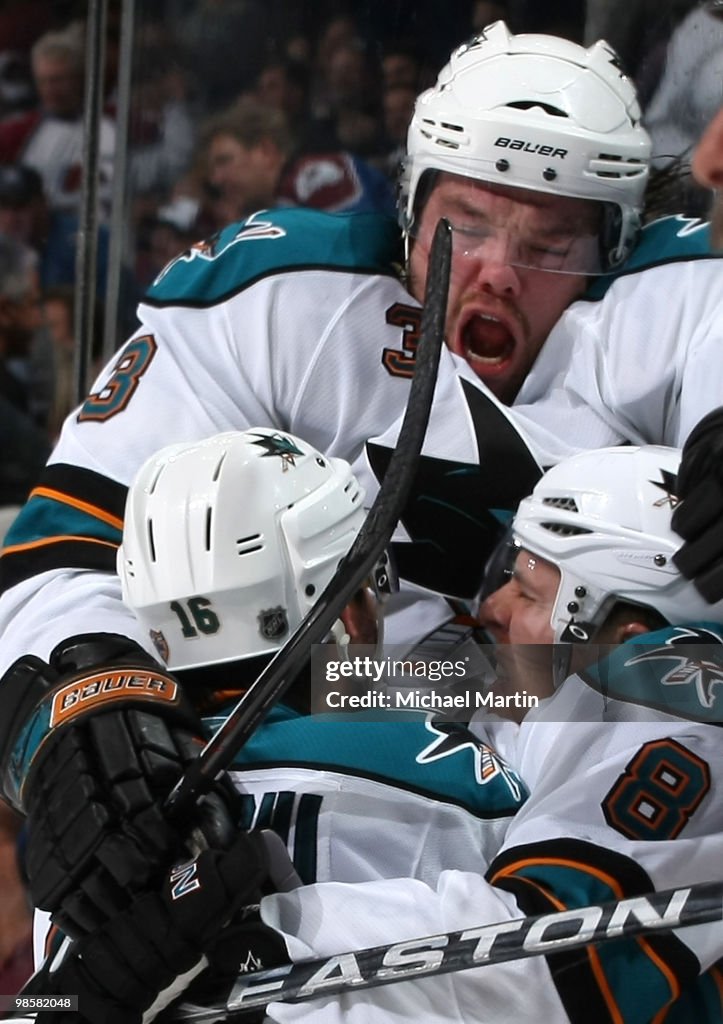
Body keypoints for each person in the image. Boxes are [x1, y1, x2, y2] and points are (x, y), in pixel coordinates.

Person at [1, 18, 723, 993]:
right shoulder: (281, 296)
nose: (498, 271)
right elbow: (71, 548)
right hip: (290, 732)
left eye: (552, 242)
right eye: (464, 225)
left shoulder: (676, 301)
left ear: (617, 242)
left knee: (681, 689)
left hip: (544, 754)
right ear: (410, 207)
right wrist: (81, 720)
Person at [252, 445, 723, 1023]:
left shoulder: (692, 704)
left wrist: (268, 940)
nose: (492, 609)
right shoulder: (503, 715)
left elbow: (536, 962)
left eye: (526, 592)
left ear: (624, 637)